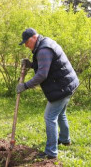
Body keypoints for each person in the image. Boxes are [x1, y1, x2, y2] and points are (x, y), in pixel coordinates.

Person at [16, 28, 79, 159]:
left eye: (27, 42)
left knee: (50, 117)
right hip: (68, 83)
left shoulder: (43, 49)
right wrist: (32, 65)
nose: (26, 46)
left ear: (34, 37)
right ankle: (65, 139)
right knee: (61, 113)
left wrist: (25, 85)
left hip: (62, 87)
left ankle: (51, 152)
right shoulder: (45, 43)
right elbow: (48, 65)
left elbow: (42, 74)